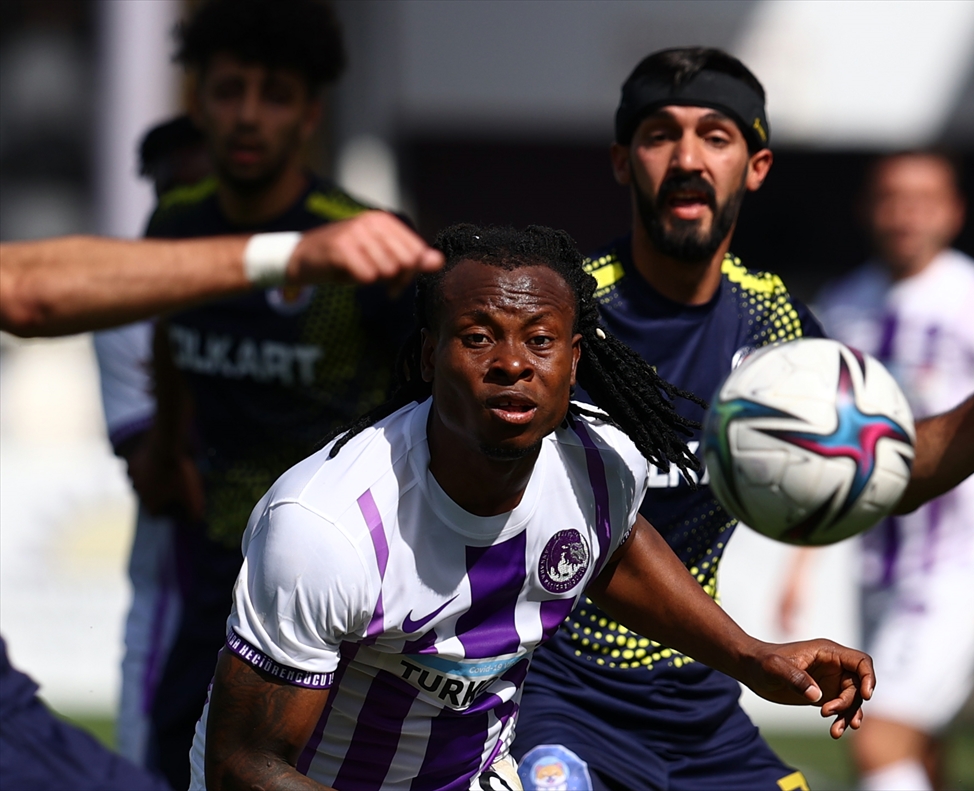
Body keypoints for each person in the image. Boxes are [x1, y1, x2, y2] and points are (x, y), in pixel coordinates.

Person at [513, 47, 974, 791]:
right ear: (621, 160)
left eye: (716, 137)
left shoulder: (776, 325)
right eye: (661, 135)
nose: (688, 158)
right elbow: (601, 544)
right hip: (551, 690)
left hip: (695, 705)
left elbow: (889, 471)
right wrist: (752, 652)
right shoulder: (563, 317)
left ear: (756, 167)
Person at [188, 223, 876, 791]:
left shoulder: (601, 466)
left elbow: (617, 550)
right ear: (428, 356)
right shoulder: (326, 528)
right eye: (478, 336)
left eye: (540, 340)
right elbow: (243, 766)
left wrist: (751, 656)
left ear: (574, 362)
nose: (513, 362)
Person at [133, 2, 423, 785]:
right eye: (229, 91)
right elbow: (168, 332)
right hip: (213, 563)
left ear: (310, 114)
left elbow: (429, 392)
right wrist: (164, 443)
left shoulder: (361, 240)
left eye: (276, 95)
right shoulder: (176, 224)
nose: (248, 115)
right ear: (198, 103)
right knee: (173, 760)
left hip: (332, 583)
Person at [777, 150, 974, 791]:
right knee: (921, 748)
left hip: (956, 565)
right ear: (867, 209)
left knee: (878, 736)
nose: (906, 214)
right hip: (875, 564)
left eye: (924, 200)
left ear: (954, 212)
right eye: (891, 198)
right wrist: (800, 561)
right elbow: (828, 449)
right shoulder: (844, 305)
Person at [92, 114, 213, 766]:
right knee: (151, 768)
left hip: (296, 586)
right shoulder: (127, 303)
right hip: (179, 586)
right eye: (174, 194)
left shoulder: (300, 292)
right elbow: (161, 483)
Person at [0, 212, 440, 338]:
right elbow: (22, 289)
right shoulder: (177, 216)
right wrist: (293, 254)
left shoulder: (344, 214)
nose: (248, 117)